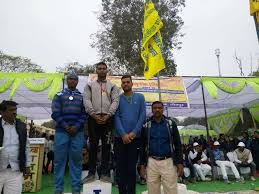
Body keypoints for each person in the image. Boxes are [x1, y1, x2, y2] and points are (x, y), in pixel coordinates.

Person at [82, 62, 120, 183]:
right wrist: (93, 114)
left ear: (107, 71)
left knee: (106, 147)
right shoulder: (89, 85)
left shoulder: (113, 86)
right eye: (100, 69)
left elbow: (115, 101)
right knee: (92, 146)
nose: (102, 70)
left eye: (104, 69)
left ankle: (105, 173)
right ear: (96, 71)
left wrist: (109, 114)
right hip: (93, 118)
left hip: (108, 119)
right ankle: (91, 173)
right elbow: (86, 100)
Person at [51, 71, 87, 194]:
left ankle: (76, 189)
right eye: (70, 79)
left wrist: (76, 126)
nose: (72, 80)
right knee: (59, 161)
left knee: (76, 161)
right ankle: (58, 189)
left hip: (78, 132)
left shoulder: (82, 96)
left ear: (77, 81)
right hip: (62, 132)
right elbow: (55, 113)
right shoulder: (58, 95)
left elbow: (85, 113)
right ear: (67, 81)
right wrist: (66, 126)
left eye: (74, 79)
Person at [139, 101, 183, 194]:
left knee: (171, 190)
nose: (157, 110)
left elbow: (178, 144)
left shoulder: (171, 124)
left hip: (168, 161)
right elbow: (142, 146)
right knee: (152, 190)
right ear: (152, 110)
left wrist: (179, 163)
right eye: (155, 108)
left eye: (159, 108)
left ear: (163, 109)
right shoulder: (146, 125)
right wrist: (142, 165)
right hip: (151, 162)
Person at [114, 75, 146, 194]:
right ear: (121, 85)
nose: (125, 84)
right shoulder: (117, 99)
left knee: (131, 169)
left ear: (132, 84)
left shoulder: (140, 97)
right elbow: (116, 117)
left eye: (128, 82)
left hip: (135, 139)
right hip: (119, 139)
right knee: (121, 169)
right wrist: (123, 134)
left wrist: (133, 133)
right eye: (123, 82)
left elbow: (142, 116)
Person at [0, 100, 31, 194]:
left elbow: (26, 146)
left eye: (15, 110)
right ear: (2, 112)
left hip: (15, 170)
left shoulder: (22, 126)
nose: (15, 112)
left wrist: (27, 165)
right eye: (11, 110)